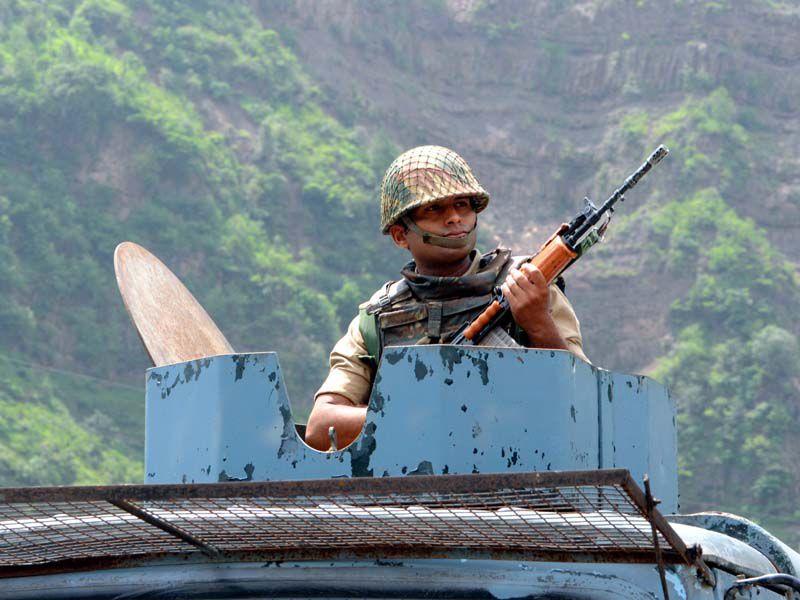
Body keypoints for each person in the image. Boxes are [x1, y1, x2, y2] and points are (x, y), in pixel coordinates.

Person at [305, 145, 588, 450]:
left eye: (462, 205)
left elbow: (587, 405)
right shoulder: (377, 320)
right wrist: (423, 414)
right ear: (400, 235)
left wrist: (539, 325)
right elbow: (321, 427)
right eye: (433, 209)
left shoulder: (528, 287)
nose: (454, 218)